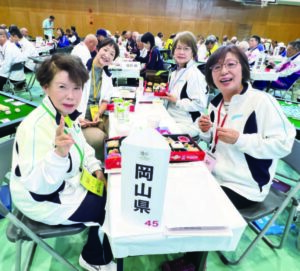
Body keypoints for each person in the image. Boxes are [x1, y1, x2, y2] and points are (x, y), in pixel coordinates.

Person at [9, 54, 116, 271]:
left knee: (112, 185)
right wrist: (58, 155)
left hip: (69, 183)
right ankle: (94, 259)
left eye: (76, 88)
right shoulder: (35, 127)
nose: (71, 96)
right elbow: (38, 187)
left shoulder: (65, 114)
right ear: (45, 86)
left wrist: (96, 168)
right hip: (41, 200)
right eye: (62, 87)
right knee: (109, 206)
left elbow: (83, 147)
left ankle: (98, 248)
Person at [198, 45, 296, 209]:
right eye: (216, 67)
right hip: (214, 173)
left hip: (244, 187)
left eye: (230, 64)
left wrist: (239, 139)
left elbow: (284, 145)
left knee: (197, 204)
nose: (223, 71)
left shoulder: (262, 101)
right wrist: (206, 131)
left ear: (243, 67)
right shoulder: (217, 103)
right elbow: (214, 142)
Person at [78, 38, 120, 161]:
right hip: (78, 120)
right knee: (101, 138)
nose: (107, 55)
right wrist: (76, 119)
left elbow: (105, 101)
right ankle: (98, 166)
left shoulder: (107, 76)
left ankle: (111, 163)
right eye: (105, 50)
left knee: (116, 131)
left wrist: (98, 113)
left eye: (112, 54)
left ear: (113, 60)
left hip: (95, 117)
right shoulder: (81, 69)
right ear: (97, 49)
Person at [160, 31, 207, 138]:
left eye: (186, 49)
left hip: (187, 124)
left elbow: (200, 105)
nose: (181, 52)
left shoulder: (195, 74)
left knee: (156, 135)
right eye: (178, 48)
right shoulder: (174, 72)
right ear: (173, 51)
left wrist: (177, 101)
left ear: (193, 53)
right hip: (171, 117)